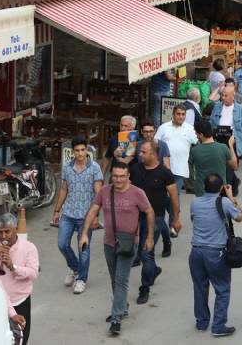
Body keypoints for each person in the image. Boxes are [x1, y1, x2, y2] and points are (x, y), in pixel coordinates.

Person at [79, 163, 154, 336]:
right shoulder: (105, 191)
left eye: (122, 176)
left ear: (128, 176)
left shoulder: (137, 193)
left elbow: (149, 212)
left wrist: (149, 237)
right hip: (109, 243)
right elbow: (92, 212)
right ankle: (122, 307)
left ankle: (116, 318)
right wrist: (84, 234)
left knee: (121, 279)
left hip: (129, 243)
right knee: (114, 279)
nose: (118, 179)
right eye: (115, 176)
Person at [187, 174, 242, 337]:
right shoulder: (224, 202)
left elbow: (193, 220)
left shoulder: (195, 202)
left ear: (204, 186)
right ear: (221, 188)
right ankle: (218, 326)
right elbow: (239, 217)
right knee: (222, 289)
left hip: (196, 251)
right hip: (216, 252)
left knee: (199, 287)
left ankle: (202, 322)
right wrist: (232, 197)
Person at [129, 140, 179, 303]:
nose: (140, 154)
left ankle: (144, 288)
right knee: (140, 253)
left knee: (146, 254)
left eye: (143, 152)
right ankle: (154, 270)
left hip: (156, 219)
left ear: (154, 154)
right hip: (135, 218)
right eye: (140, 151)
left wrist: (175, 219)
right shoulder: (135, 169)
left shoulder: (164, 173)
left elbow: (173, 196)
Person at [52, 137, 103, 295]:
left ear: (86, 149)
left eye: (83, 150)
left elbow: (99, 193)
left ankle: (81, 279)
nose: (80, 153)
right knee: (62, 244)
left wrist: (96, 216)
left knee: (84, 249)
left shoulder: (94, 167)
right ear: (73, 152)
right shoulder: (67, 167)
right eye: (77, 150)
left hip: (86, 216)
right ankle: (75, 268)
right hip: (68, 213)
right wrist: (57, 211)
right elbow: (63, 190)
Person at [0, 213, 39, 345]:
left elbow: (34, 273)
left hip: (19, 302)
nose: (3, 236)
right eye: (0, 232)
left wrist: (13, 267)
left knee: (20, 338)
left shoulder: (29, 248)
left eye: (7, 232)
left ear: (15, 229)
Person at [154, 105, 198, 209]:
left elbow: (197, 142)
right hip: (163, 169)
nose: (181, 117)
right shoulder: (163, 127)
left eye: (183, 114)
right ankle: (163, 219)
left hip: (180, 170)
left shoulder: (189, 128)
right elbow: (155, 145)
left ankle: (173, 222)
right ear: (173, 114)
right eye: (178, 114)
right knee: (161, 196)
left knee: (174, 196)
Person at [190, 120, 238, 198]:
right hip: (220, 191)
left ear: (201, 135)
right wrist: (231, 145)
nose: (196, 135)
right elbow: (234, 166)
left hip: (201, 191)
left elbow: (190, 171)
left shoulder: (194, 150)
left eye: (196, 133)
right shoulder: (223, 148)